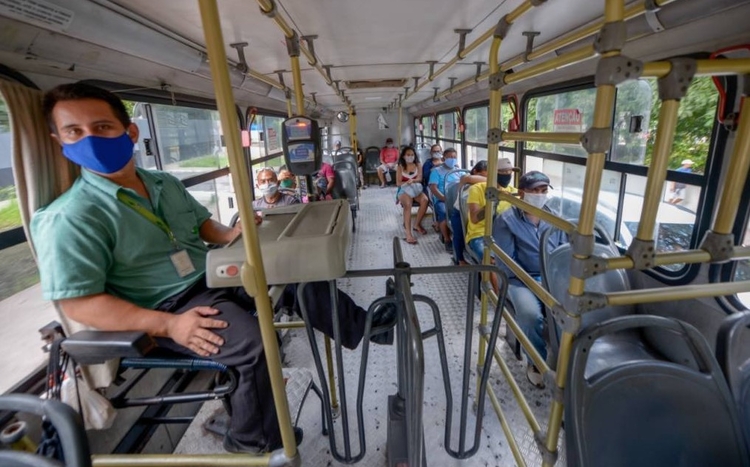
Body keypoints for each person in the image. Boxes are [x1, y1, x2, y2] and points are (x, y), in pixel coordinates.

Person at [31, 83, 393, 455]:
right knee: (253, 343)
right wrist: (168, 325)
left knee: (292, 269)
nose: (90, 139)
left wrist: (234, 234)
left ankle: (363, 325)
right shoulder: (69, 217)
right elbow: (79, 305)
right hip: (165, 308)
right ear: (59, 141)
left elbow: (204, 226)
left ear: (130, 131)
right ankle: (252, 440)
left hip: (208, 272)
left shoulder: (163, 183)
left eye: (103, 127)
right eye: (75, 132)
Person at [492, 171, 565, 389]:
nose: (539, 195)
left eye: (543, 191)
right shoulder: (507, 220)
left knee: (568, 317)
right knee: (530, 315)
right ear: (522, 193)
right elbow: (506, 262)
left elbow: (563, 251)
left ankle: (566, 365)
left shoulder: (555, 218)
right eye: (534, 191)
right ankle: (537, 363)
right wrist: (535, 284)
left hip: (552, 277)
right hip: (521, 278)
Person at [428, 148, 461, 252]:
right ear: (444, 158)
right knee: (443, 212)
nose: (453, 159)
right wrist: (444, 198)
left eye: (454, 157)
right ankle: (447, 239)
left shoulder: (458, 171)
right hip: (442, 199)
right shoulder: (436, 171)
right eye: (450, 157)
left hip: (457, 198)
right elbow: (433, 188)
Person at [395, 147, 429, 245]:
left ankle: (417, 224)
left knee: (425, 200)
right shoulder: (400, 166)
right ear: (404, 156)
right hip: (404, 189)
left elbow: (419, 178)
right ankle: (408, 234)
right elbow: (398, 183)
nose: (410, 157)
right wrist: (407, 183)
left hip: (415, 188)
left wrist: (413, 181)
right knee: (408, 204)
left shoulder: (418, 165)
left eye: (412, 155)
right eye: (408, 155)